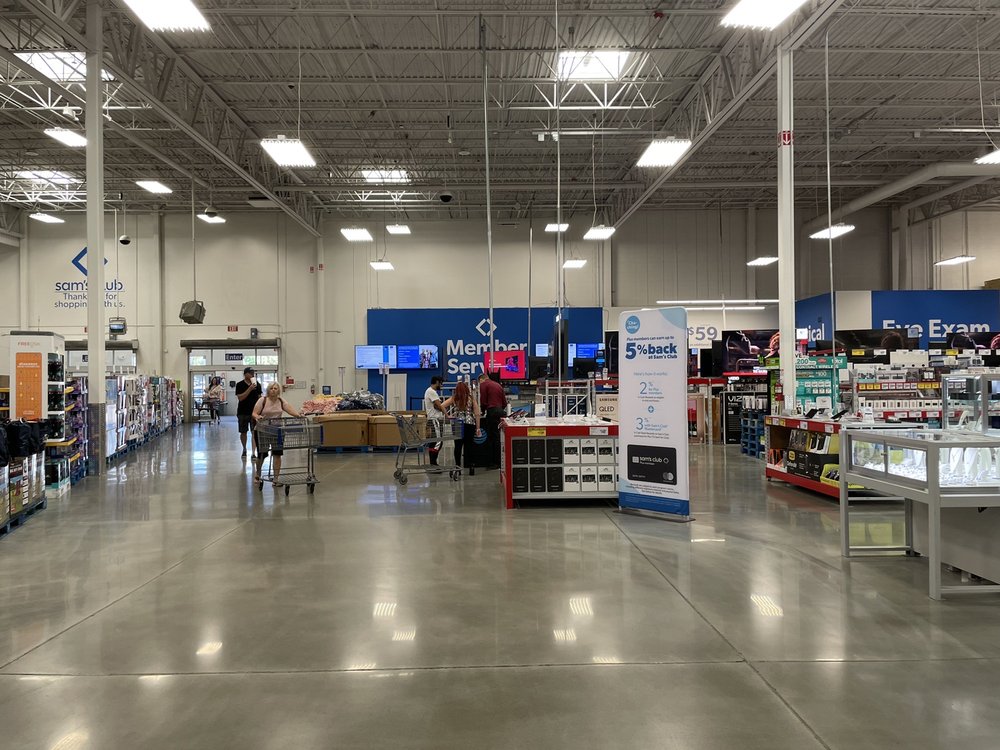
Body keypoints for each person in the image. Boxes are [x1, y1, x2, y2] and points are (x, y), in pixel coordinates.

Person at [252, 382, 301, 485]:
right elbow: (254, 413)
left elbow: (290, 409)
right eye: (271, 388)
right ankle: (258, 473)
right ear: (268, 390)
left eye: (275, 388)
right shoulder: (263, 400)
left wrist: (298, 415)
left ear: (278, 390)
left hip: (277, 431)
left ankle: (276, 479)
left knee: (277, 454)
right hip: (262, 430)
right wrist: (258, 417)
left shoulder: (281, 401)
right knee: (262, 454)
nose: (273, 390)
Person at [443, 380, 481, 475]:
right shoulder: (471, 398)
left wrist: (447, 416)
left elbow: (442, 406)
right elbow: (477, 413)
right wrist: (478, 428)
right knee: (470, 446)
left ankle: (458, 467)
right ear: (466, 389)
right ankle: (471, 467)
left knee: (458, 446)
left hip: (457, 423)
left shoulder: (454, 398)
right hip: (470, 423)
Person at [477, 370, 507, 469]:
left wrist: (481, 411)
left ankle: (494, 462)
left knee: (491, 438)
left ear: (481, 379)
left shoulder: (483, 385)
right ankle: (500, 461)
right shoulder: (498, 385)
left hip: (492, 412)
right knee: (499, 437)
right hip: (501, 412)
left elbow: (483, 401)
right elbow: (504, 403)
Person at [235, 367, 262, 458]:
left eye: (253, 373)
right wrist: (249, 389)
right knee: (243, 432)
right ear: (245, 374)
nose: (252, 374)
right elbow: (240, 398)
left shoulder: (257, 384)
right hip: (242, 412)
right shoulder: (240, 385)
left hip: (254, 412)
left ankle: (253, 452)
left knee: (254, 432)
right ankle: (244, 449)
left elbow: (259, 398)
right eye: (250, 373)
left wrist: (260, 411)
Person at [423, 375, 448, 466]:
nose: (441, 385)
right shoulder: (431, 392)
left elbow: (437, 406)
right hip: (435, 420)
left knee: (434, 442)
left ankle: (433, 463)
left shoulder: (430, 391)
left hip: (433, 419)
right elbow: (439, 406)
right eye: (441, 383)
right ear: (437, 382)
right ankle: (433, 464)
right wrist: (447, 415)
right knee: (438, 442)